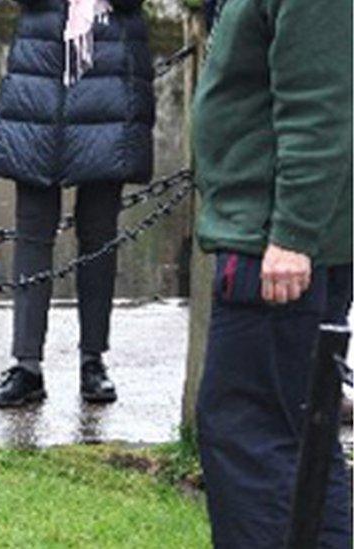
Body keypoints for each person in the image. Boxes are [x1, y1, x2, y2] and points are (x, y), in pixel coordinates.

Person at [192, 0, 352, 546]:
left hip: (276, 245)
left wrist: (293, 235)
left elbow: (320, 108)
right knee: (299, 437)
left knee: (251, 441)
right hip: (278, 232)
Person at [0, 0, 154, 408]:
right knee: (32, 231)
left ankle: (93, 360)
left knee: (98, 234)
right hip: (39, 79)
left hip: (110, 80)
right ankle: (26, 364)